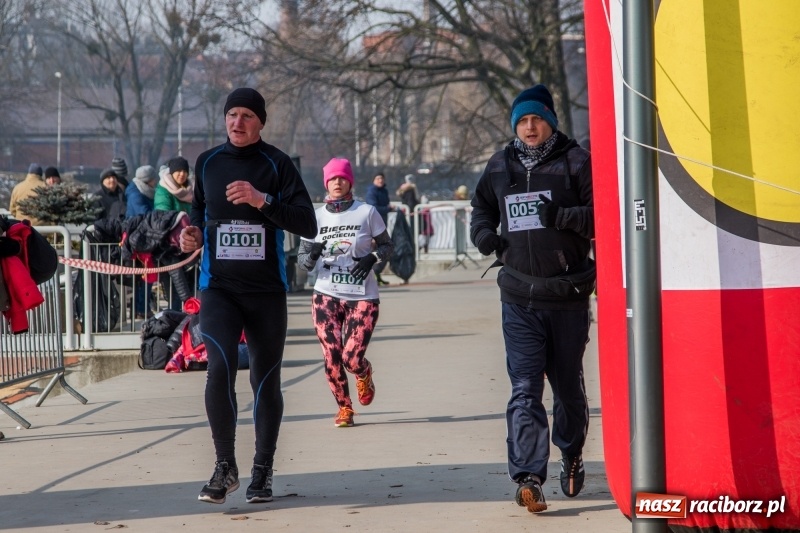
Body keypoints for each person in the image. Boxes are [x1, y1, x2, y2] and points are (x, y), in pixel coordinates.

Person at [179, 87, 317, 506]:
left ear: (261, 122)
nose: (237, 122)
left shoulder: (276, 165)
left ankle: (262, 469)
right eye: (232, 115)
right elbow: (200, 216)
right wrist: (193, 234)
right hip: (219, 287)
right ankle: (225, 466)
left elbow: (307, 224)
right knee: (218, 367)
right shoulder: (207, 163)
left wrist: (263, 201)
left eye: (246, 116)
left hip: (266, 291)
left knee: (264, 378)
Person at [470, 84, 595, 514]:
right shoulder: (499, 164)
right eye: (522, 121)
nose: (529, 127)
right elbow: (481, 208)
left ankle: (572, 450)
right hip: (519, 295)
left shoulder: (576, 161)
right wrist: (485, 235)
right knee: (524, 389)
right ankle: (527, 477)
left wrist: (561, 216)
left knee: (567, 391)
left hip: (567, 295)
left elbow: (602, 216)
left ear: (550, 122)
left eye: (536, 119)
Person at [297, 158, 393, 428]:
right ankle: (344, 408)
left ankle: (363, 371)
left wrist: (372, 257)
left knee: (351, 358)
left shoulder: (367, 212)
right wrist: (311, 255)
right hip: (325, 294)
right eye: (332, 179)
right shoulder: (316, 216)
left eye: (342, 178)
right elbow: (303, 263)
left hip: (362, 295)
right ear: (326, 183)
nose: (337, 183)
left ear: (350, 181)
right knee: (331, 356)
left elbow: (387, 246)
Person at [154, 156, 194, 311]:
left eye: (184, 171)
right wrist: (181, 221)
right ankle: (174, 315)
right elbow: (163, 214)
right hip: (169, 244)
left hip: (188, 244)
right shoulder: (163, 189)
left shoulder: (191, 189)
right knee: (173, 283)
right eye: (178, 171)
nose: (181, 174)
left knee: (189, 281)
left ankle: (187, 315)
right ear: (171, 173)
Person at [126, 165, 158, 318]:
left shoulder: (144, 192)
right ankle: (141, 309)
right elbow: (144, 214)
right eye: (153, 179)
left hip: (145, 238)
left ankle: (142, 307)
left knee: (146, 277)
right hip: (139, 240)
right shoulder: (136, 194)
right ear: (148, 180)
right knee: (145, 276)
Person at [364, 172, 393, 285]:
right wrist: (387, 208)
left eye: (382, 178)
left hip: (382, 226)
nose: (380, 180)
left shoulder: (384, 191)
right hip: (372, 226)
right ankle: (373, 275)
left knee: (386, 250)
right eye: (378, 178)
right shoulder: (372, 191)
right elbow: (373, 208)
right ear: (373, 180)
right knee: (373, 251)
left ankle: (377, 274)